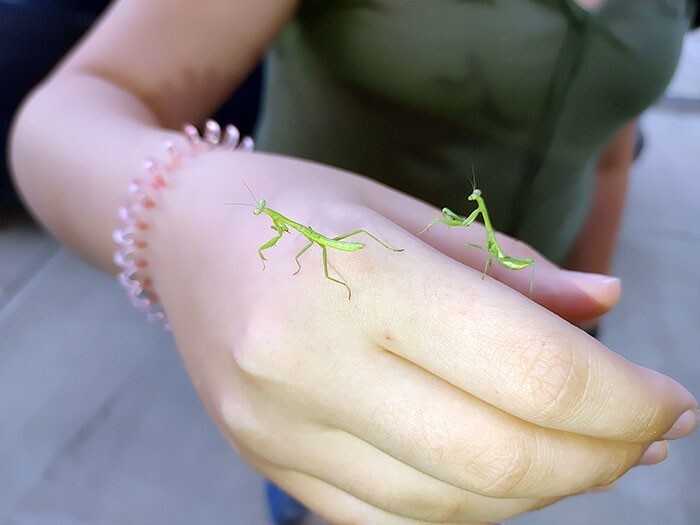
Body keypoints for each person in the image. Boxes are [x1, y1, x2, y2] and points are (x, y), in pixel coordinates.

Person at [8, 1, 699, 524]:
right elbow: (66, 112)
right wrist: (184, 213)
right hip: (336, 363)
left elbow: (609, 145)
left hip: (527, 326)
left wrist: (586, 311)